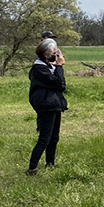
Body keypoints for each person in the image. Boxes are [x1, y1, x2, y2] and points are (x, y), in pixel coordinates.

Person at [27, 39, 67, 176]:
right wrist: (60, 67)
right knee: (44, 138)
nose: (56, 56)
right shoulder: (39, 69)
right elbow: (60, 84)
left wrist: (56, 67)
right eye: (54, 53)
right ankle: (32, 168)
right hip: (46, 106)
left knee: (54, 137)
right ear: (46, 54)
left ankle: (50, 163)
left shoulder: (48, 67)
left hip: (54, 105)